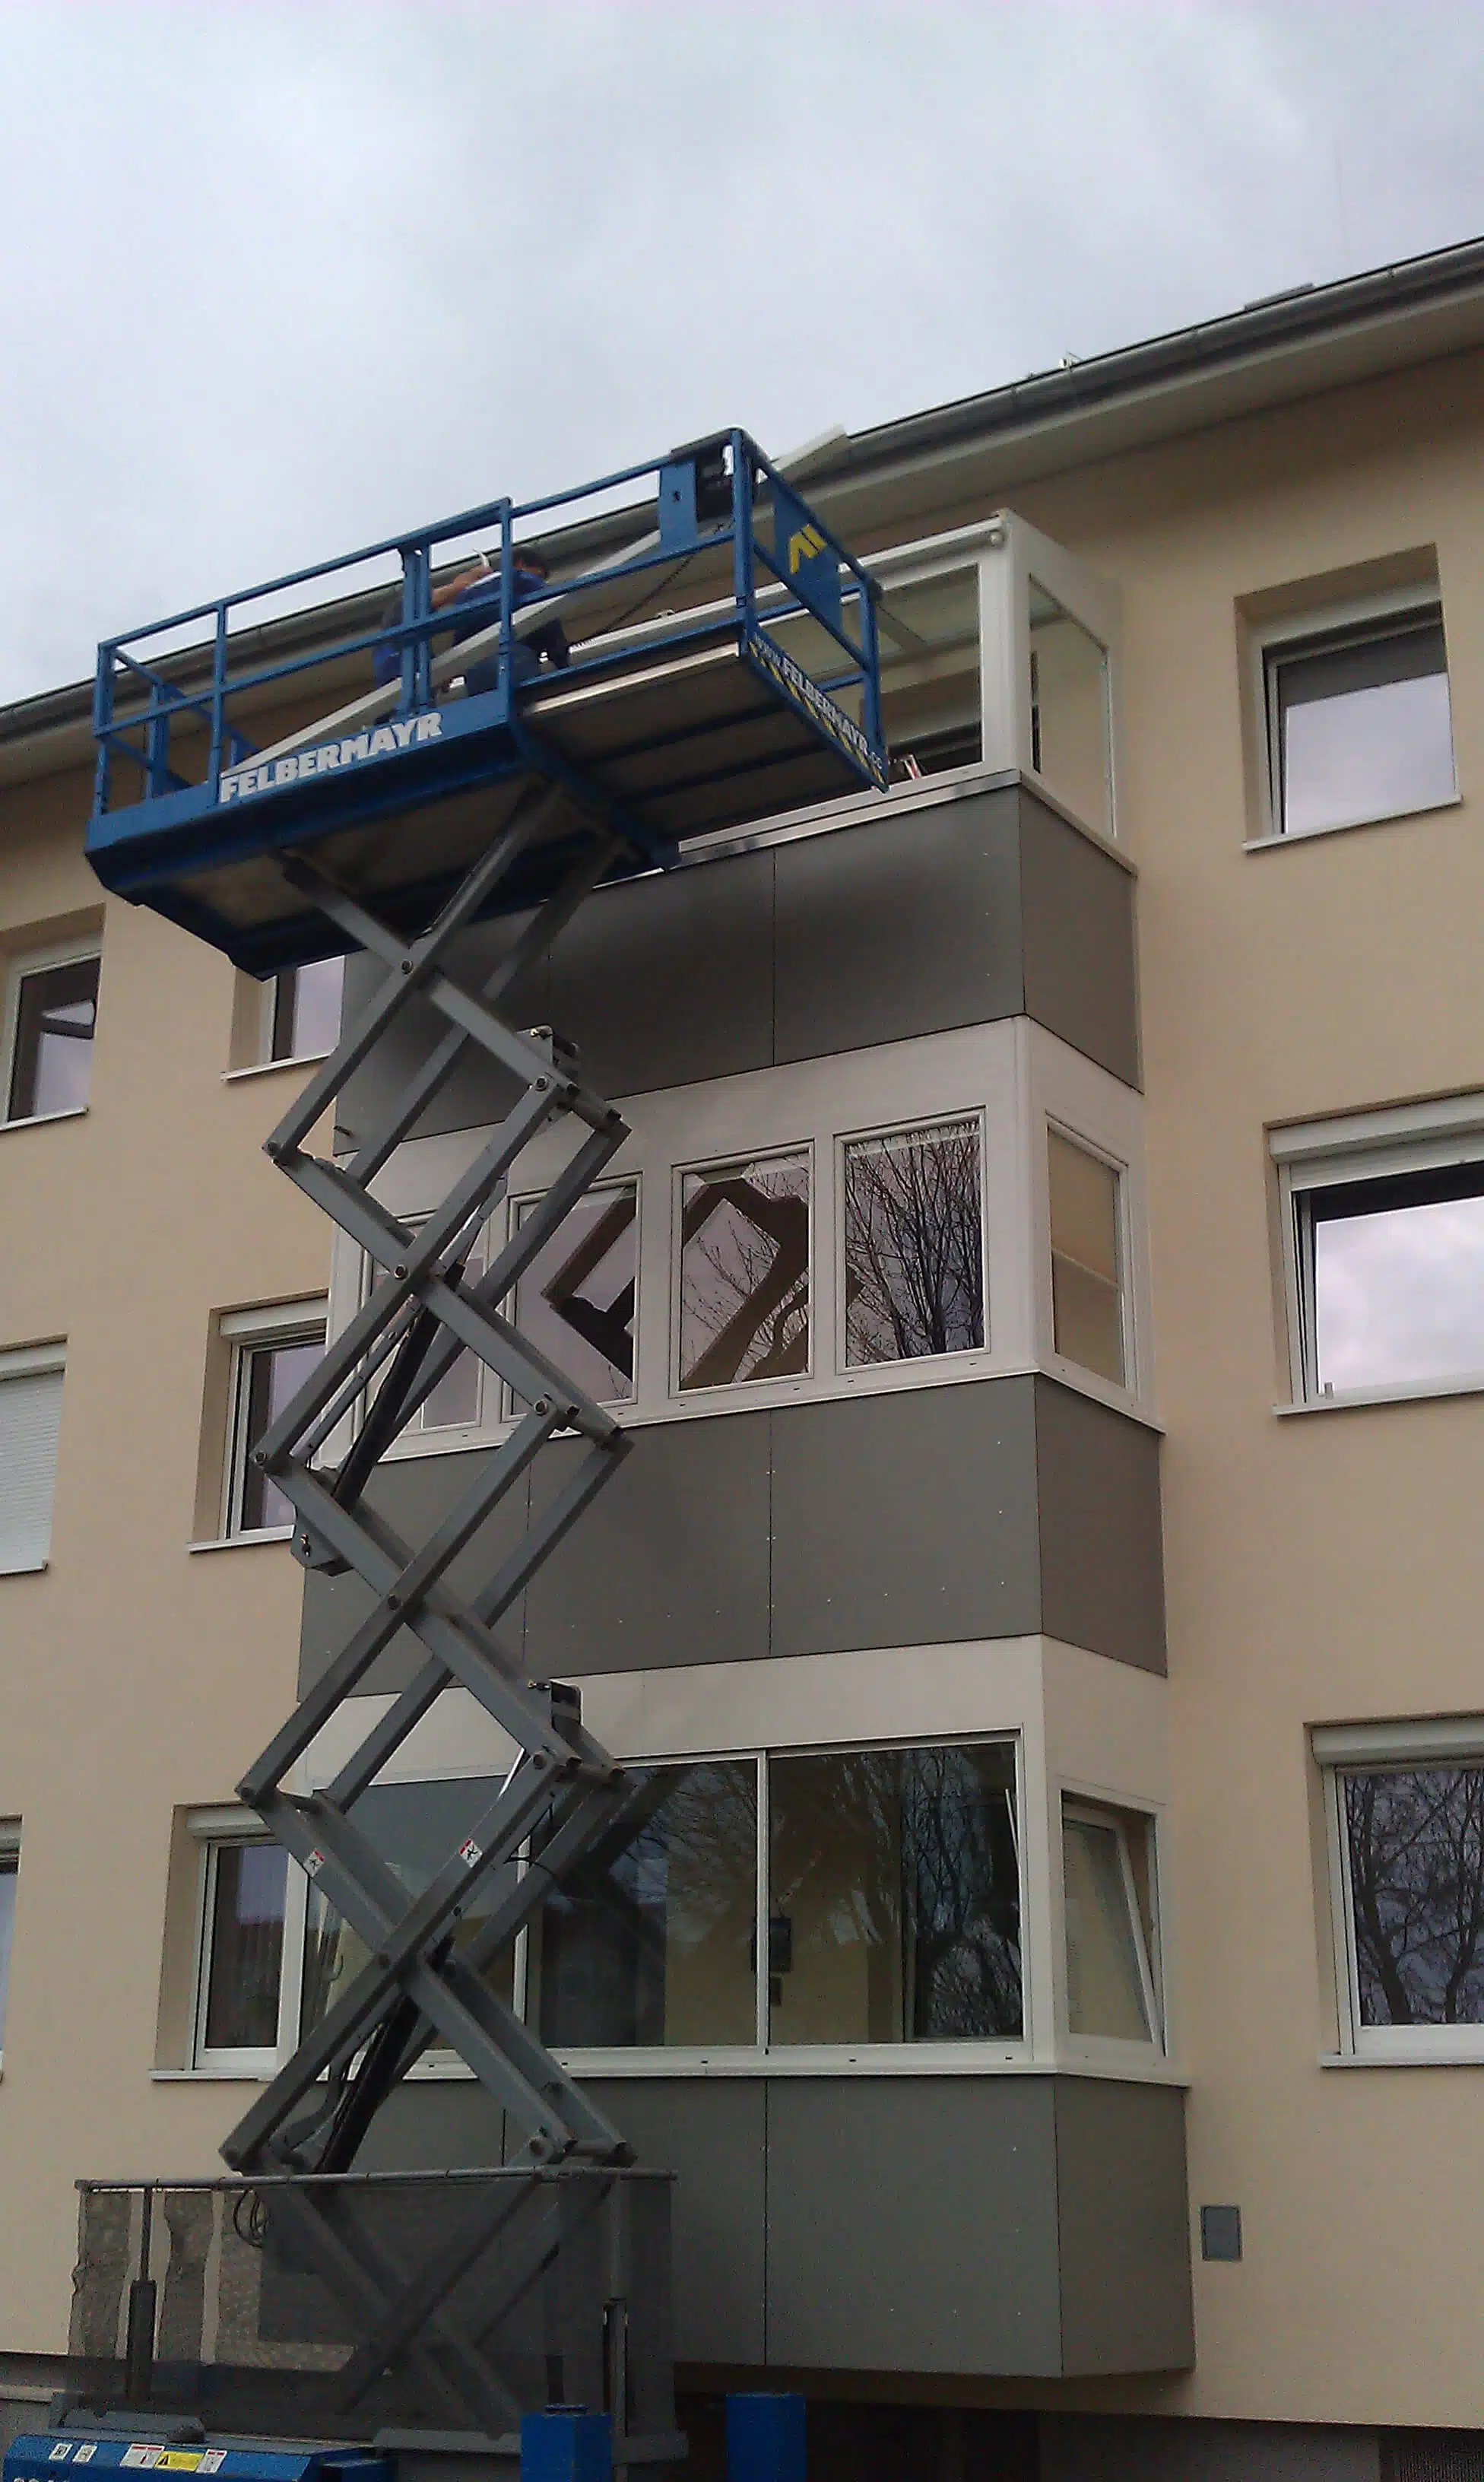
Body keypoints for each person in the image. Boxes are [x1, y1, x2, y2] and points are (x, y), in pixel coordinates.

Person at [371, 548, 568, 697]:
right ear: (520, 564)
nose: (539, 580)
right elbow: (548, 619)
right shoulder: (524, 579)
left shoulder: (468, 594)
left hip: (475, 671)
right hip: (514, 660)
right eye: (539, 574)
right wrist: (563, 665)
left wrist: (452, 668)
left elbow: (463, 633)